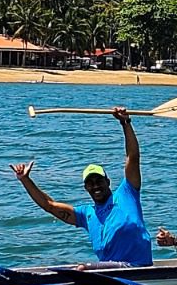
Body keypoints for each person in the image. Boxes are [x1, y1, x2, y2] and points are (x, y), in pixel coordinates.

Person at [10, 107, 152, 268]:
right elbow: (48, 205)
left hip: (137, 267)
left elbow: (132, 157)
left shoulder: (127, 193)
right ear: (86, 188)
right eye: (90, 183)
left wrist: (125, 122)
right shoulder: (86, 215)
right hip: (113, 273)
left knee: (82, 269)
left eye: (99, 181)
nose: (95, 186)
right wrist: (25, 180)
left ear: (108, 181)